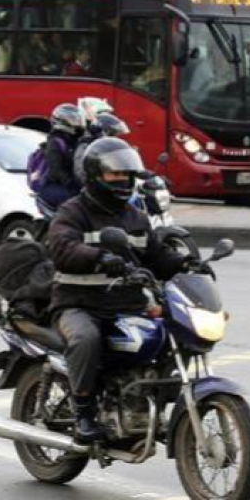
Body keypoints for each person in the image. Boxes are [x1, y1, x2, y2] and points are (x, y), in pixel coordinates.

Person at [46, 137, 189, 443]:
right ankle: (83, 413)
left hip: (126, 305)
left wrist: (186, 263)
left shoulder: (134, 217)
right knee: (86, 339)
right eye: (115, 174)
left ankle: (146, 402)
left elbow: (155, 254)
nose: (123, 180)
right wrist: (99, 257)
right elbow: (62, 248)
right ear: (96, 175)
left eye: (127, 175)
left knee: (173, 332)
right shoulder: (73, 211)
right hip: (79, 304)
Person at [33, 103, 84, 214]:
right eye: (72, 119)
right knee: (76, 203)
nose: (75, 122)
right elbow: (56, 170)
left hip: (70, 184)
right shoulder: (55, 141)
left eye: (77, 119)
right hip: (54, 185)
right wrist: (72, 183)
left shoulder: (74, 139)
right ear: (61, 121)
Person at [73, 112, 130, 186]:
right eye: (113, 134)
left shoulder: (106, 147)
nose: (115, 137)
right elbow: (81, 174)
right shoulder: (86, 147)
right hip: (95, 189)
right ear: (104, 132)